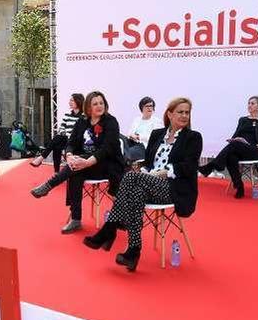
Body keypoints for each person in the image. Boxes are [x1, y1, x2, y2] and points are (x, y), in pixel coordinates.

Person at [84, 97, 202, 272]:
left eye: (187, 112)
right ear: (169, 114)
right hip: (150, 184)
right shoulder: (157, 134)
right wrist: (146, 171)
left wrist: (164, 171)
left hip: (174, 188)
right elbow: (148, 163)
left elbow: (189, 167)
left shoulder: (193, 137)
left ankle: (110, 229)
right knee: (136, 191)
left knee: (131, 177)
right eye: (180, 112)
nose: (184, 116)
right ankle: (133, 251)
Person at [30, 91, 125, 234]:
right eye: (95, 104)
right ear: (88, 107)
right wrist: (69, 155)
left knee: (76, 168)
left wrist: (87, 162)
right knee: (75, 171)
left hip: (107, 163)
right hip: (85, 162)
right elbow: (71, 142)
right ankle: (76, 220)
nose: (99, 106)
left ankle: (49, 185)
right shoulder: (82, 121)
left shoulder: (111, 122)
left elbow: (107, 148)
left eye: (101, 103)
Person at [198, 96, 258, 198]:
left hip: (256, 150)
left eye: (252, 103)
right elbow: (236, 135)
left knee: (233, 147)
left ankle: (211, 166)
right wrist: (233, 140)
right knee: (231, 157)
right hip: (241, 148)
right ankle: (239, 187)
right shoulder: (242, 120)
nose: (249, 105)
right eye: (249, 103)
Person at [30, 93, 84, 172]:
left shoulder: (83, 116)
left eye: (72, 100)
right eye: (70, 100)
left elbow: (80, 132)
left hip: (76, 141)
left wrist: (67, 135)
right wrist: (64, 133)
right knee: (57, 144)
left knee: (57, 140)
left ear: (78, 101)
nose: (70, 102)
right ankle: (56, 171)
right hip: (65, 139)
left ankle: (42, 157)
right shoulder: (67, 115)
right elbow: (62, 128)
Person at [124, 96, 163, 164]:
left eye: (151, 106)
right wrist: (131, 135)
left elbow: (156, 138)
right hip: (131, 142)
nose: (150, 108)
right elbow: (129, 132)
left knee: (126, 152)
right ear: (142, 108)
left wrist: (139, 137)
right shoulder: (137, 120)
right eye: (147, 106)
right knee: (119, 137)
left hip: (143, 146)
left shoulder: (157, 121)